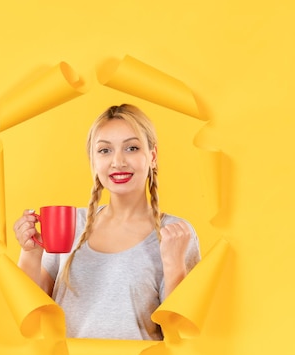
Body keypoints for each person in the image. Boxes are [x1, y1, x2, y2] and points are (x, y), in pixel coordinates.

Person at [13, 104, 201, 340]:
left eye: (131, 148)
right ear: (93, 159)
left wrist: (175, 266)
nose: (118, 161)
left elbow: (180, 334)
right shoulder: (72, 223)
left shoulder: (176, 235)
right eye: (104, 151)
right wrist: (30, 252)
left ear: (152, 156)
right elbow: (34, 309)